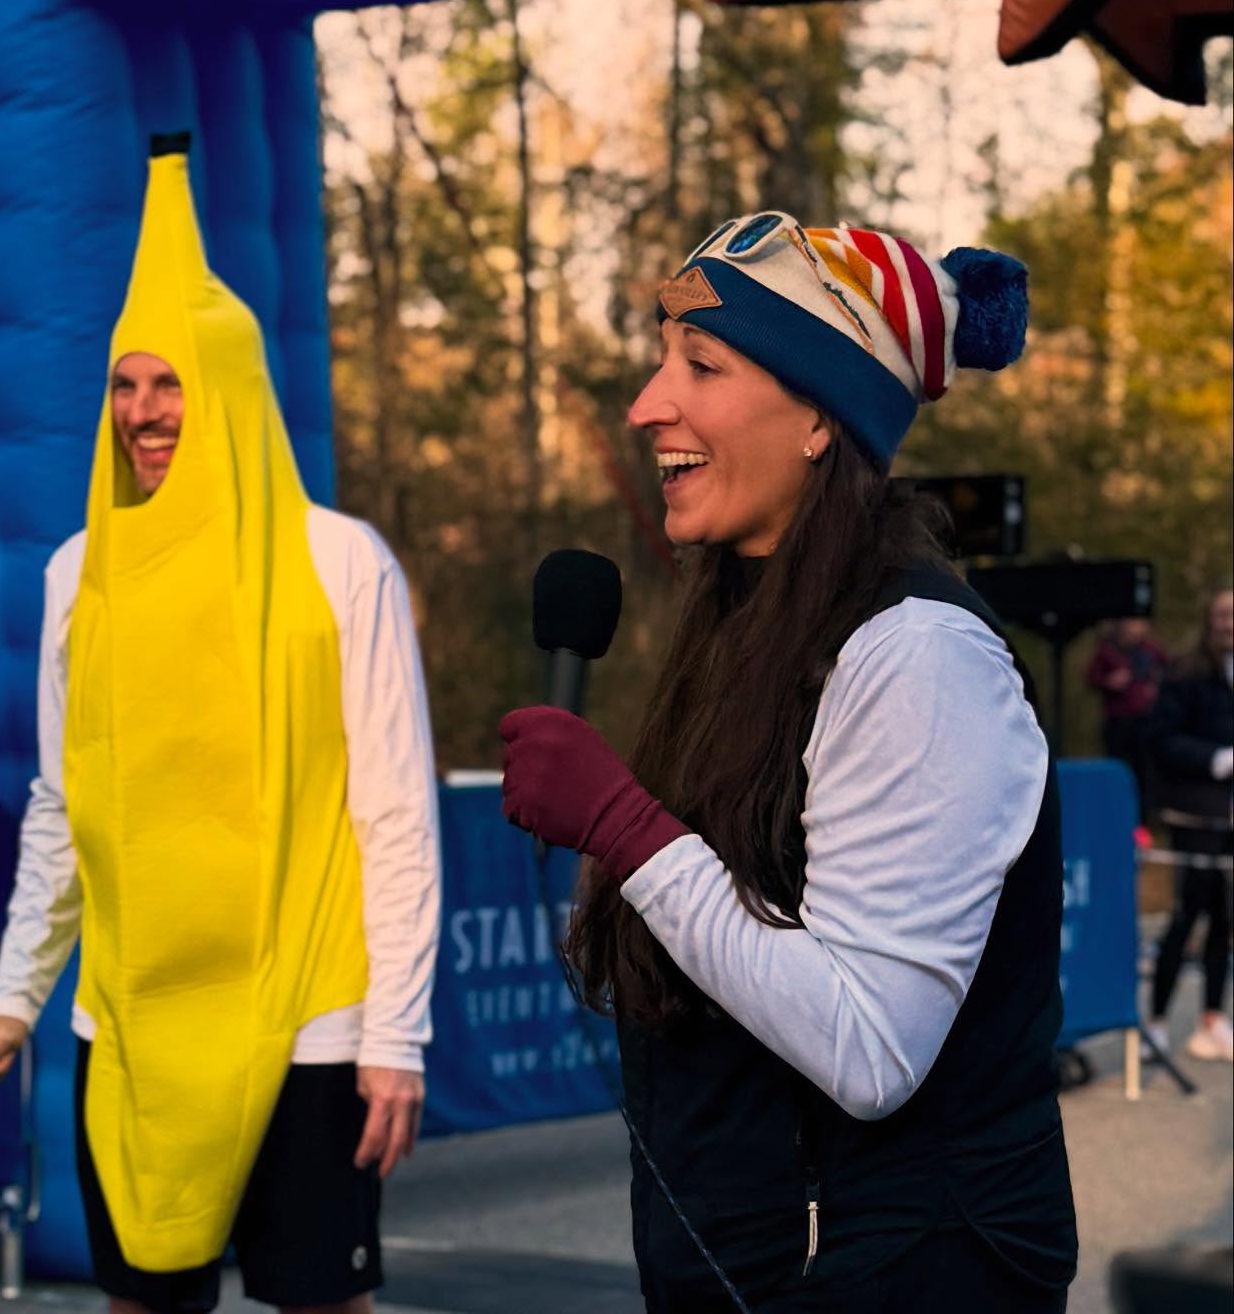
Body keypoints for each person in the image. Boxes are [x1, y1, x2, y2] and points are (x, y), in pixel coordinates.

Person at [501, 213, 1076, 1312]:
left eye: (700, 364)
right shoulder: (752, 615)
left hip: (898, 1271)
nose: (647, 405)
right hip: (766, 1264)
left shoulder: (918, 654)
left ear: (819, 414)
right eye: (662, 359)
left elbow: (868, 1050)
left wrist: (628, 831)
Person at [0, 135, 440, 1314]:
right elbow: (68, 799)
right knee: (144, 1303)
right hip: (135, 1016)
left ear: (225, 392)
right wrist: (17, 992)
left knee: (322, 1301)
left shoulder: (340, 564)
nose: (142, 412)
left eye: (168, 383)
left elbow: (394, 813)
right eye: (124, 384)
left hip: (309, 1019)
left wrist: (398, 1036)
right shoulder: (80, 572)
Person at [1145, 587, 1233, 1062]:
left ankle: (1212, 1021)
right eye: (1223, 615)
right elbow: (1160, 740)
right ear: (1209, 620)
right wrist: (1217, 759)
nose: (1230, 624)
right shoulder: (1184, 673)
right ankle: (1156, 1022)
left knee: (1224, 918)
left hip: (1229, 819)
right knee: (1187, 915)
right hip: (1193, 813)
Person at [1086, 618, 1167, 823]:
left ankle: (1145, 824)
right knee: (1118, 770)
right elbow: (1091, 678)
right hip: (1118, 722)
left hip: (1147, 722)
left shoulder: (1151, 651)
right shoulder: (1107, 652)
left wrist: (1158, 687)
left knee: (1146, 773)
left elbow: (1170, 672)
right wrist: (1109, 681)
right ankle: (1115, 818)